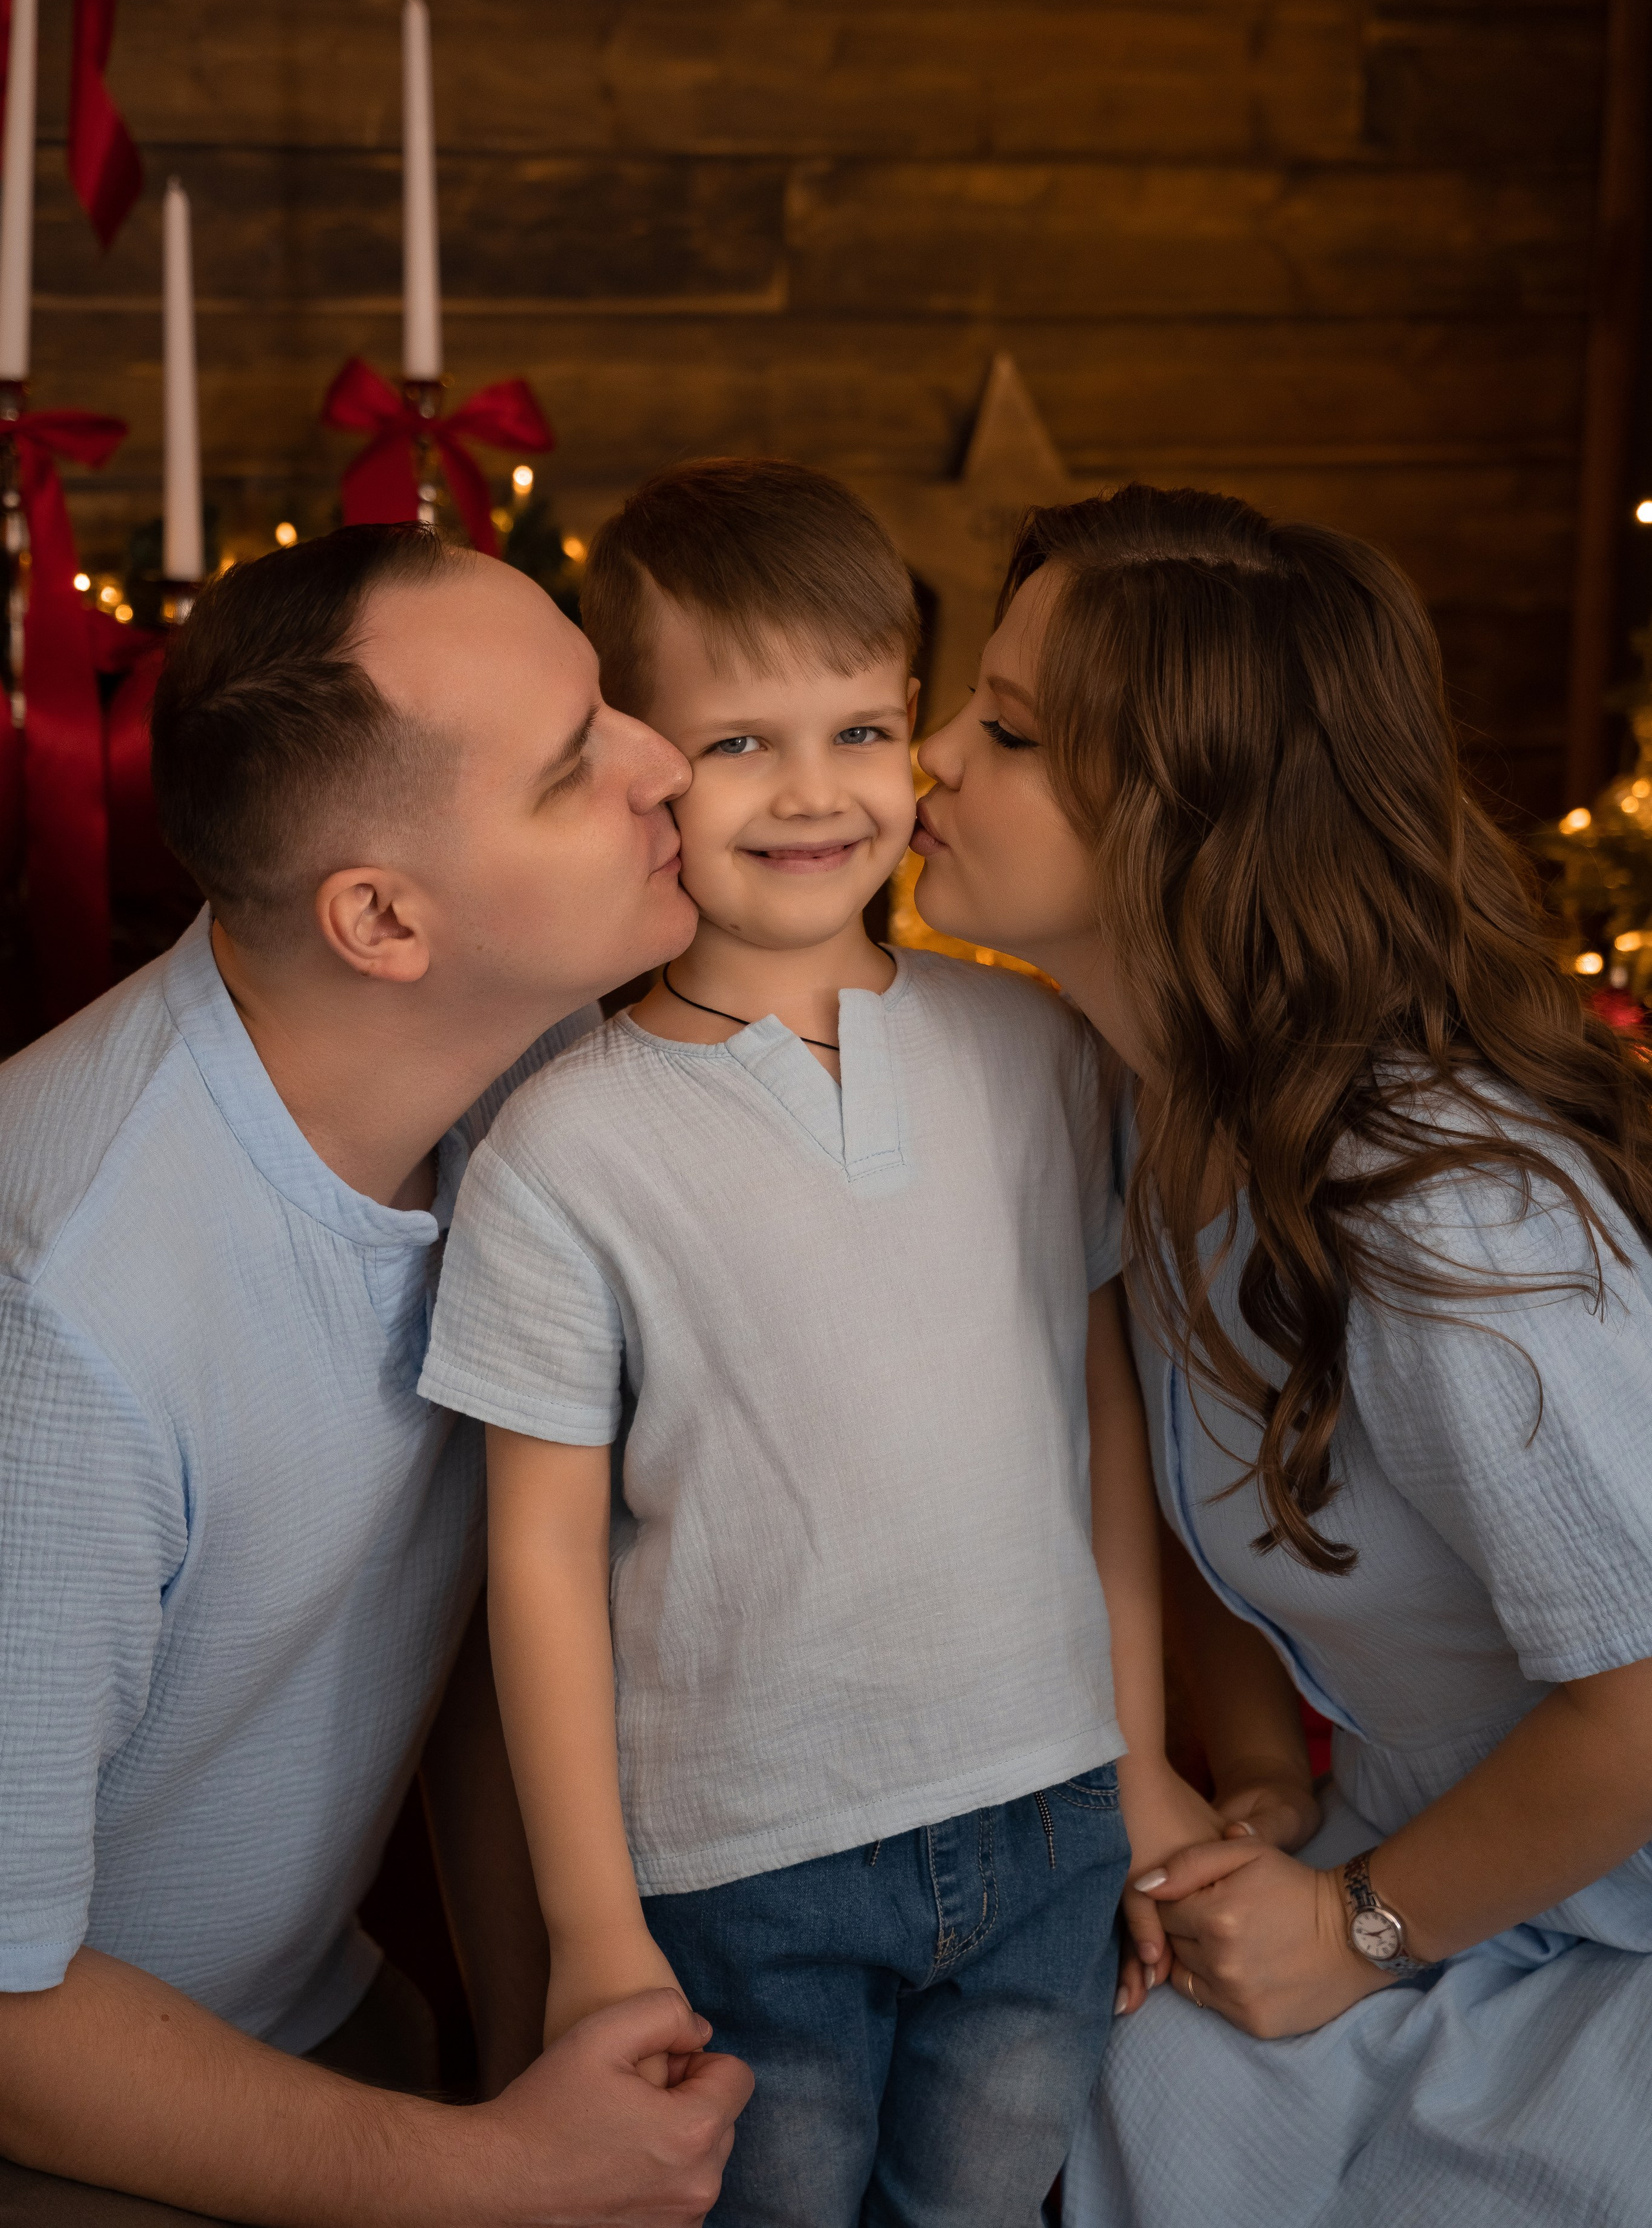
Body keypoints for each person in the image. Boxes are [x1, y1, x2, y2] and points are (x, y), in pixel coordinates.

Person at [418, 458, 1214, 2228]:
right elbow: (538, 1559)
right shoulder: (565, 1143)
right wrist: (594, 1931)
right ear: (640, 762)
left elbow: (1099, 1436)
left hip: (1046, 1828)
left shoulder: (1037, 1055)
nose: (812, 793)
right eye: (739, 743)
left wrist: (1135, 1756)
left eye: (862, 729)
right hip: (741, 1867)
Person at [909, 480, 1652, 2228]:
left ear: (1187, 819)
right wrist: (1246, 1764)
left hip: (1586, 1890)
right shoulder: (1160, 1112)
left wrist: (1365, 1925)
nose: (929, 754)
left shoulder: (1439, 1215)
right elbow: (1189, 1487)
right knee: (1105, 2067)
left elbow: (1643, 1700)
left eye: (1006, 731)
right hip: (1421, 1846)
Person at [0, 523, 752, 2227]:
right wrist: (495, 2170)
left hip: (328, 2017)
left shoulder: (530, 1077)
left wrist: (540, 2040)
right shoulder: (69, 1316)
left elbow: (496, 1607)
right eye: (577, 769)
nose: (661, 763)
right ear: (386, 919)